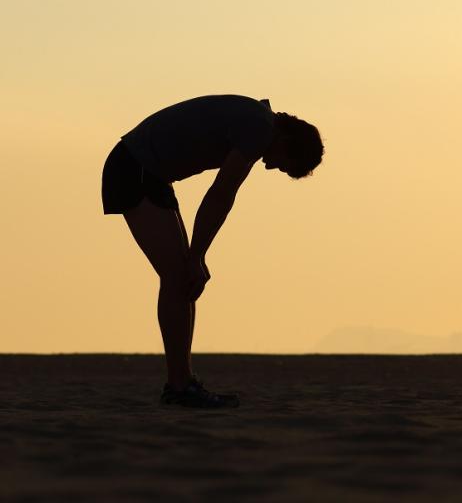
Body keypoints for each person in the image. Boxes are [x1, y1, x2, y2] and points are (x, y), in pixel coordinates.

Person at [101, 95, 323, 408]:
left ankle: (183, 382)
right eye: (283, 164)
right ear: (287, 140)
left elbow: (221, 197)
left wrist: (196, 256)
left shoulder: (258, 123)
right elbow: (221, 195)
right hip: (133, 168)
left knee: (183, 280)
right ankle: (179, 386)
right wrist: (197, 256)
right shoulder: (259, 128)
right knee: (177, 277)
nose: (271, 166)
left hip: (150, 174)